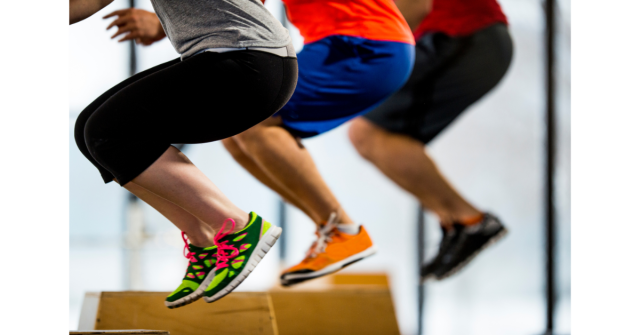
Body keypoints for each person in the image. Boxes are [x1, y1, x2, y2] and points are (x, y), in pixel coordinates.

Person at [103, 0, 415, 286]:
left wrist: (161, 23)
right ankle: (336, 231)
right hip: (358, 43)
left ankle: (342, 231)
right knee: (239, 133)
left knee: (255, 125)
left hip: (362, 44)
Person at [68, 0, 297, 308]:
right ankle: (204, 241)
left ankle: (239, 228)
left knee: (107, 131)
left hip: (249, 60)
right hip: (228, 57)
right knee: (90, 131)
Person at [349, 0, 513, 280]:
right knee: (373, 137)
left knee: (368, 132)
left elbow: (413, 7)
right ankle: (460, 222)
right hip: (466, 38)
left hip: (463, 35)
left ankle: (469, 220)